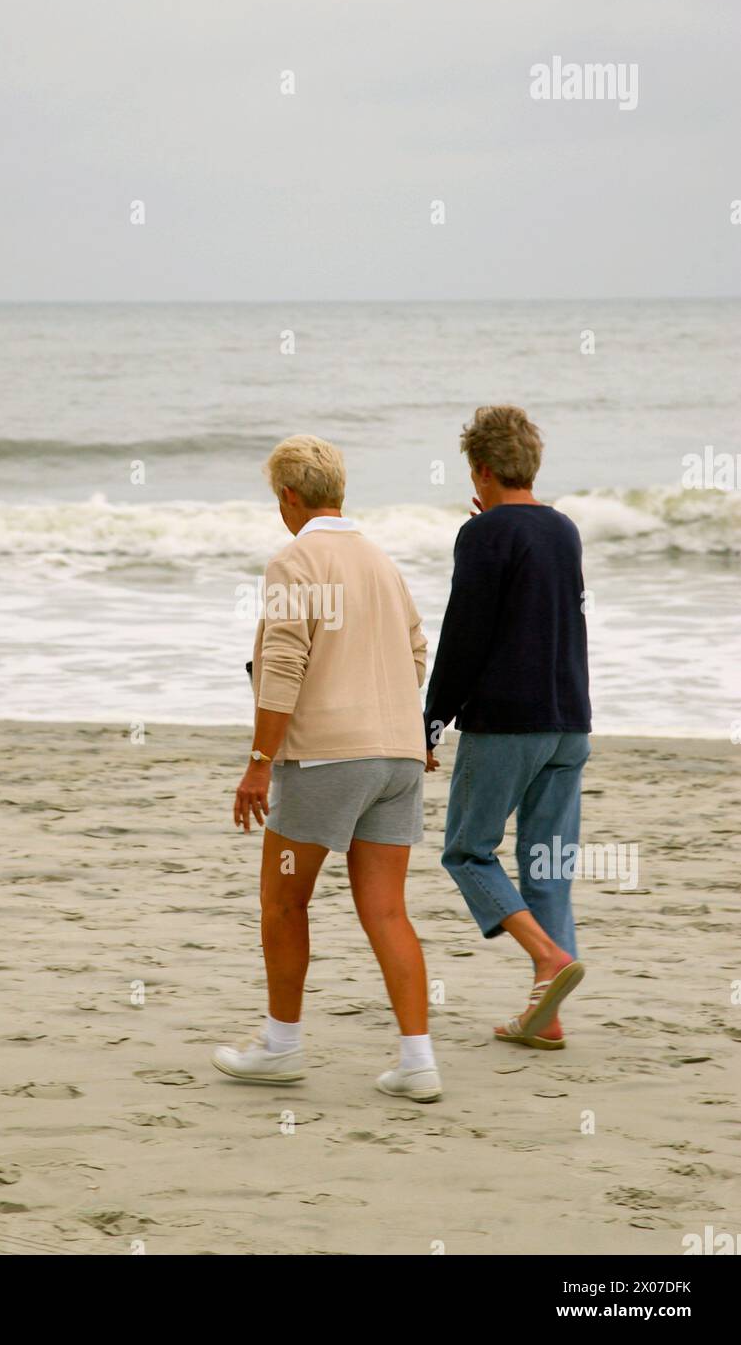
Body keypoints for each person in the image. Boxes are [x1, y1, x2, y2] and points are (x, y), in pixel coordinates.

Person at [213, 435, 441, 1101]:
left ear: (288, 496)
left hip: (324, 762)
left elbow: (283, 664)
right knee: (387, 911)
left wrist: (258, 762)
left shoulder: (295, 560)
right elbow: (415, 651)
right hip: (396, 758)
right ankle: (417, 1060)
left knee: (284, 901)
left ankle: (280, 1046)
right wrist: (400, 721)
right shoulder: (380, 561)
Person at [423, 406, 591, 1049]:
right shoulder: (564, 529)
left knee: (467, 851)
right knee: (546, 863)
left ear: (482, 469)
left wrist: (432, 721)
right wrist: (492, 533)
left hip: (508, 722)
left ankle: (548, 960)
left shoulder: (484, 536)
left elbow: (463, 637)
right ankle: (544, 1017)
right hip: (569, 721)